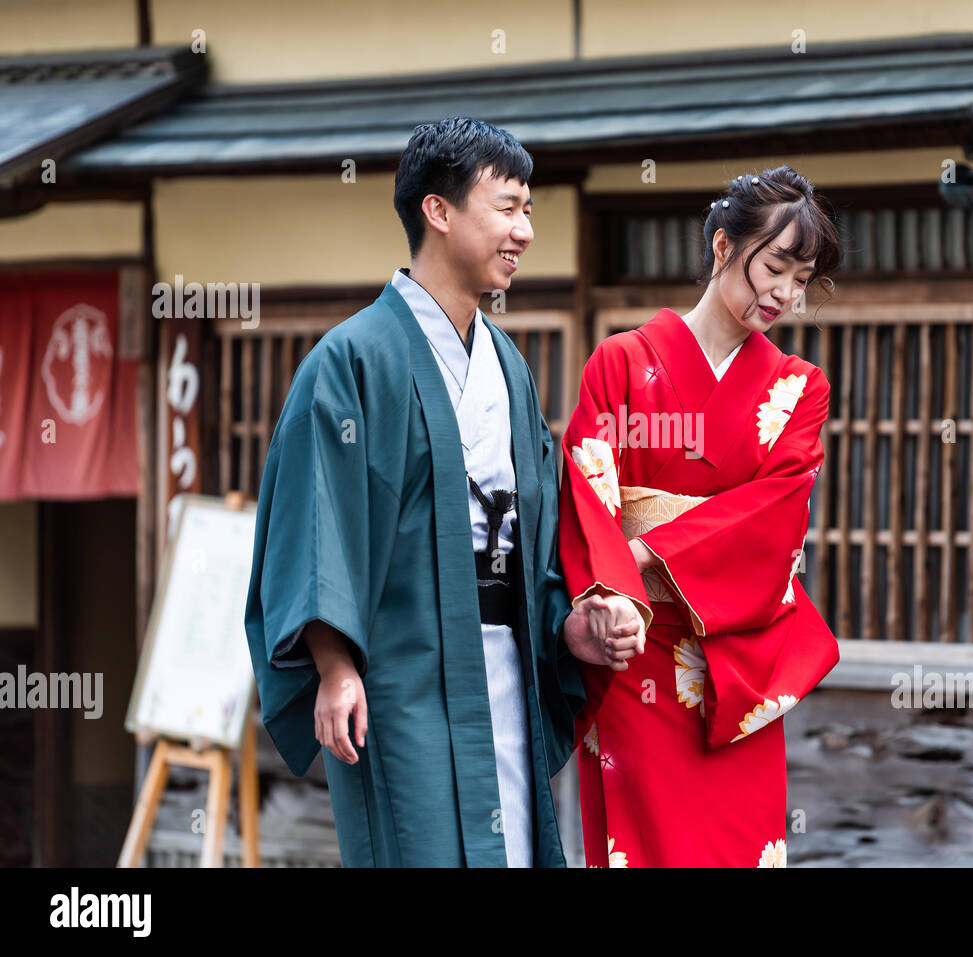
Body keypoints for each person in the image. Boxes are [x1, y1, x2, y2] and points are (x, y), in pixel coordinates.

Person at [244, 116, 644, 868]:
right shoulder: (352, 360)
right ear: (439, 210)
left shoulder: (507, 366)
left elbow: (539, 532)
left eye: (530, 210)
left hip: (507, 665)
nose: (525, 230)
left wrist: (569, 626)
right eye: (508, 206)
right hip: (402, 672)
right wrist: (334, 665)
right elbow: (313, 526)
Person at [558, 166, 844, 867]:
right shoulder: (620, 362)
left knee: (738, 847)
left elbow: (776, 510)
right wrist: (612, 597)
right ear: (722, 247)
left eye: (801, 279)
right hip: (637, 646)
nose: (785, 293)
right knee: (642, 843)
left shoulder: (799, 388)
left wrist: (650, 555)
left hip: (734, 663)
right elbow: (588, 488)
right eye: (775, 266)